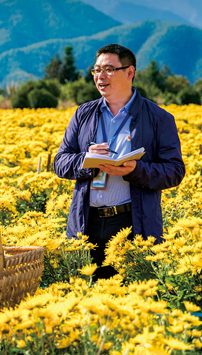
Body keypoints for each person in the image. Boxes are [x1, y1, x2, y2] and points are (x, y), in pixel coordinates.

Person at [54, 44, 185, 280]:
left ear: (129, 72)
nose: (100, 76)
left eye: (108, 69)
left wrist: (136, 170)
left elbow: (174, 171)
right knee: (86, 293)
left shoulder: (159, 118)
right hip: (86, 223)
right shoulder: (83, 114)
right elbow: (60, 163)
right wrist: (86, 160)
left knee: (131, 293)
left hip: (133, 223)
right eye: (96, 70)